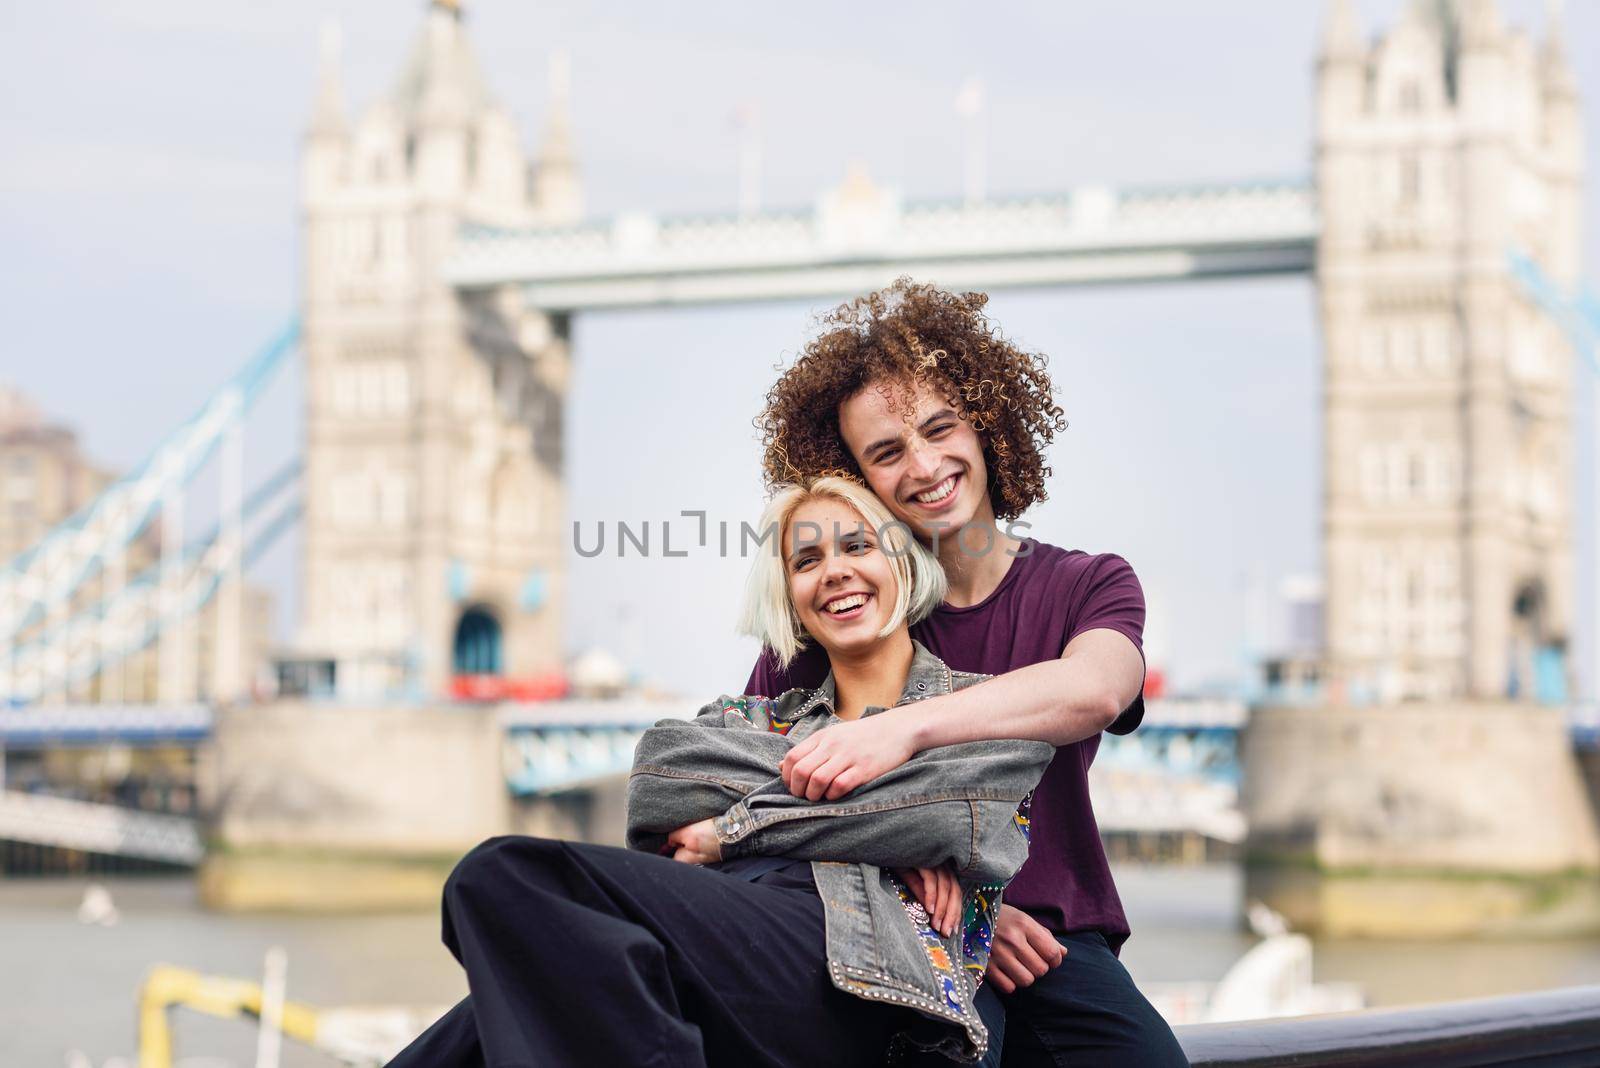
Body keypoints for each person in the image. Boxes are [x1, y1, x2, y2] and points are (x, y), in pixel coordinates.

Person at [387, 476, 1051, 1067]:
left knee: (501, 875)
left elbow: (958, 815)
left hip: (867, 976)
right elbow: (660, 780)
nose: (835, 572)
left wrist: (727, 832)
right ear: (790, 596)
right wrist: (879, 828)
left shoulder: (973, 709)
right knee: (494, 1003)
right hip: (728, 944)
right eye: (808, 559)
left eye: (858, 547)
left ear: (904, 565)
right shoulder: (750, 714)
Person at [745, 280, 1189, 1067]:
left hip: (1056, 947)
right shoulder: (839, 608)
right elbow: (754, 798)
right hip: (890, 932)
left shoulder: (1088, 584)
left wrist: (900, 729)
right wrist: (974, 906)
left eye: (939, 429)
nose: (922, 465)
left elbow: (1096, 688)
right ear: (856, 477)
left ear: (986, 427)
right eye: (885, 452)